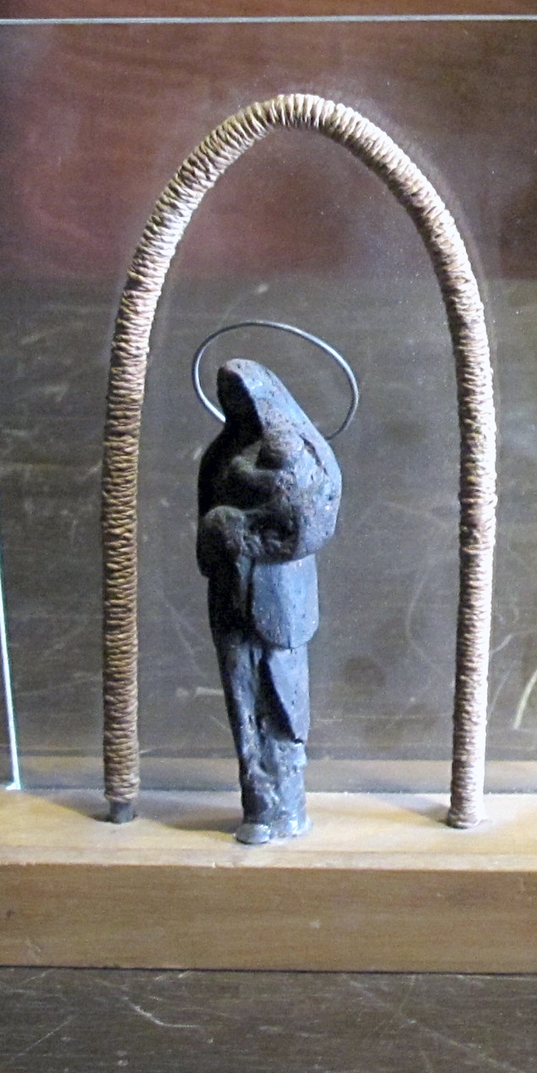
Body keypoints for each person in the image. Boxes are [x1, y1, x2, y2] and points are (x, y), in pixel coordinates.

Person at [197, 358, 342, 844]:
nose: (237, 404)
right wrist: (219, 530)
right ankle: (258, 805)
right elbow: (207, 521)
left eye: (244, 394)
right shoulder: (221, 454)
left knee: (280, 698)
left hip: (279, 596)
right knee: (241, 702)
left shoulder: (297, 449)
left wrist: (245, 530)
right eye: (229, 396)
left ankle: (288, 807)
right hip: (229, 591)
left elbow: (310, 520)